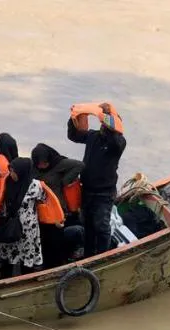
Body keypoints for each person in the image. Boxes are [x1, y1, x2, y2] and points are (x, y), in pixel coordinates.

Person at [67, 102, 126, 257]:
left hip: (104, 193)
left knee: (101, 226)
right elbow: (74, 135)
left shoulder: (118, 143)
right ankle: (88, 255)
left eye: (105, 125)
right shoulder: (93, 136)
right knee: (88, 225)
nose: (102, 127)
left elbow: (114, 139)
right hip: (87, 189)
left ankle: (102, 256)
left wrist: (105, 117)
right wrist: (75, 116)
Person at [0, 157, 44, 278]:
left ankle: (26, 280)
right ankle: (5, 280)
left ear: (22, 171)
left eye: (14, 171)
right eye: (10, 170)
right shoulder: (7, 182)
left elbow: (42, 200)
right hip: (9, 224)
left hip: (27, 228)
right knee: (8, 255)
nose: (12, 173)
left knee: (26, 255)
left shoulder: (35, 185)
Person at [32, 143, 84, 226]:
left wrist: (65, 181)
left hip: (60, 210)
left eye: (45, 162)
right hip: (43, 212)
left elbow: (80, 165)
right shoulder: (33, 170)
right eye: (39, 163)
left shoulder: (58, 164)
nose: (43, 165)